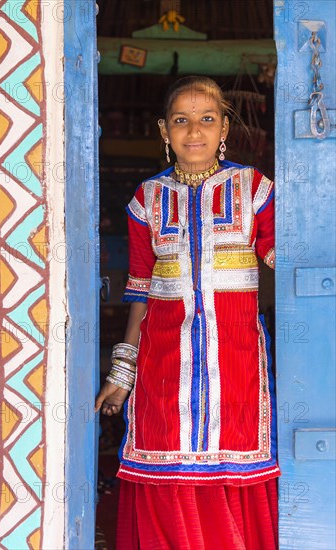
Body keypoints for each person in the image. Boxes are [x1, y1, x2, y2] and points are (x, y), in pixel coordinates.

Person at [95, 76, 279, 550]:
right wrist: (123, 368)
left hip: (235, 361)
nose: (193, 130)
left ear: (224, 130)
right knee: (164, 463)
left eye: (206, 119)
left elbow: (289, 256)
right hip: (162, 364)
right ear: (163, 130)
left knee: (233, 467)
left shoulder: (254, 189)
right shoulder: (146, 200)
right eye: (181, 120)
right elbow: (139, 288)